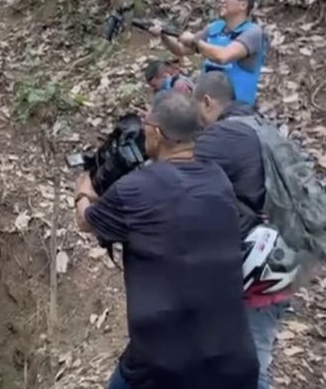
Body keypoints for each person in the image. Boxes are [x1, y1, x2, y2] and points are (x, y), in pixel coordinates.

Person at [74, 90, 258, 389]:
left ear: (156, 134)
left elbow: (86, 221)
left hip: (163, 367)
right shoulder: (219, 180)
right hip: (234, 359)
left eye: (146, 125)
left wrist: (84, 191)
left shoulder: (134, 190)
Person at [192, 71, 291, 389]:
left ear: (206, 102)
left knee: (248, 371)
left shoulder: (221, 137)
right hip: (281, 260)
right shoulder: (263, 128)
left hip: (254, 268)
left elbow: (175, 182)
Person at [149, 0, 268, 107]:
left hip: (236, 112)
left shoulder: (253, 32)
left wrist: (195, 41)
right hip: (207, 109)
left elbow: (223, 56)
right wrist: (163, 34)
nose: (223, 0)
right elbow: (180, 49)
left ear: (243, 5)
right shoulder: (215, 28)